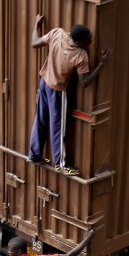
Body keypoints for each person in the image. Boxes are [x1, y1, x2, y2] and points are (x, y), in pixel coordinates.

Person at [28, 14, 112, 175]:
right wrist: (102, 64)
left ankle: (34, 154)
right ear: (80, 42)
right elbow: (85, 82)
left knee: (40, 119)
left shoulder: (57, 33)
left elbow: (34, 43)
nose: (91, 42)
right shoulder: (80, 55)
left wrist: (36, 25)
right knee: (57, 127)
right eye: (89, 39)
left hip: (44, 83)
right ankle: (62, 164)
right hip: (58, 92)